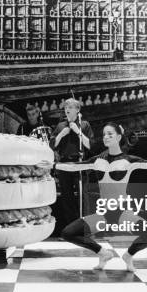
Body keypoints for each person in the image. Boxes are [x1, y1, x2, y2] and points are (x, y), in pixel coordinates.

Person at [55, 123, 147, 270]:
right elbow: (73, 166)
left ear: (119, 136)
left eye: (110, 134)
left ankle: (128, 255)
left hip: (123, 214)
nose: (106, 137)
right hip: (103, 214)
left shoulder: (129, 160)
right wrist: (53, 165)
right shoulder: (97, 160)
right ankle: (103, 253)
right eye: (104, 134)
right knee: (68, 233)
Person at [49, 98, 94, 233]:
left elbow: (90, 145)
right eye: (65, 107)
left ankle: (85, 227)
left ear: (77, 110)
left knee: (83, 195)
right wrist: (61, 135)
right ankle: (72, 229)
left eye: (70, 107)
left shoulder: (84, 125)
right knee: (67, 197)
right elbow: (52, 145)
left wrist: (78, 132)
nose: (67, 109)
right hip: (64, 163)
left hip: (80, 162)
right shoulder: (61, 126)